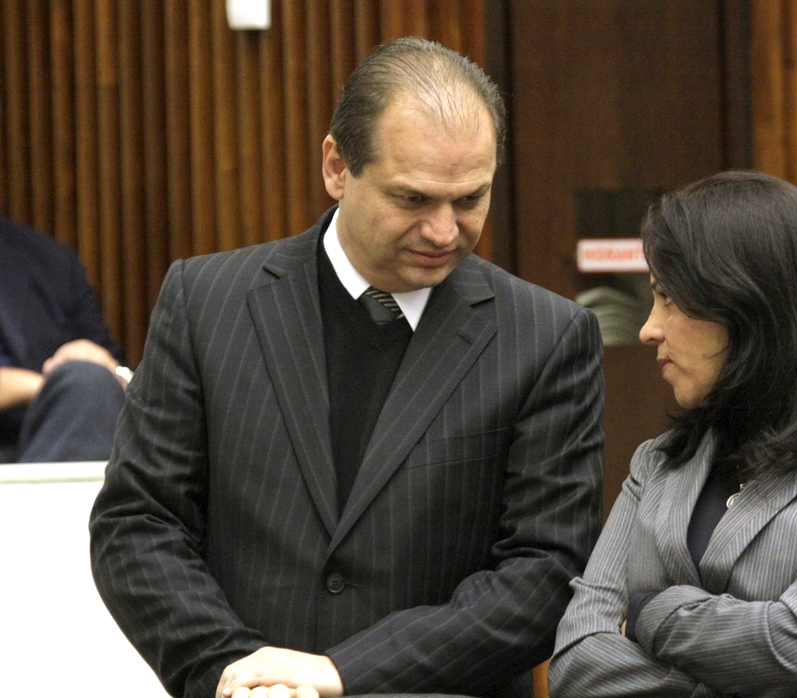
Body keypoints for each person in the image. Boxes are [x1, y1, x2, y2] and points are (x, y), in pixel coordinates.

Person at [90, 37, 605, 698]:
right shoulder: (206, 303)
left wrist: (343, 673)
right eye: (413, 199)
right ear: (337, 167)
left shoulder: (546, 337)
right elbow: (138, 525)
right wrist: (237, 673)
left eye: (469, 200)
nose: (444, 230)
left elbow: (544, 575)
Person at [548, 171, 797, 697]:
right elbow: (575, 663)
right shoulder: (658, 464)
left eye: (669, 299)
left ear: (751, 306)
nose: (648, 328)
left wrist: (649, 613)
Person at [0, 215, 129, 463]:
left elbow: (113, 381)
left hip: (53, 440)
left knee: (91, 386)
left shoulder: (50, 261)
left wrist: (113, 372)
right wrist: (42, 387)